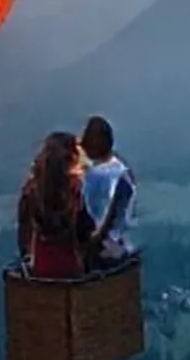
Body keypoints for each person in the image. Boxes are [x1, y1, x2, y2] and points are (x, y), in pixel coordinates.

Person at [16, 131, 95, 279]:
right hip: (71, 270)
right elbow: (85, 231)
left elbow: (23, 236)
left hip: (39, 270)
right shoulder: (73, 190)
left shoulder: (30, 191)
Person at [79, 115, 137, 270]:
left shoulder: (118, 174)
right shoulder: (92, 170)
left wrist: (91, 242)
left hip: (110, 245)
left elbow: (109, 218)